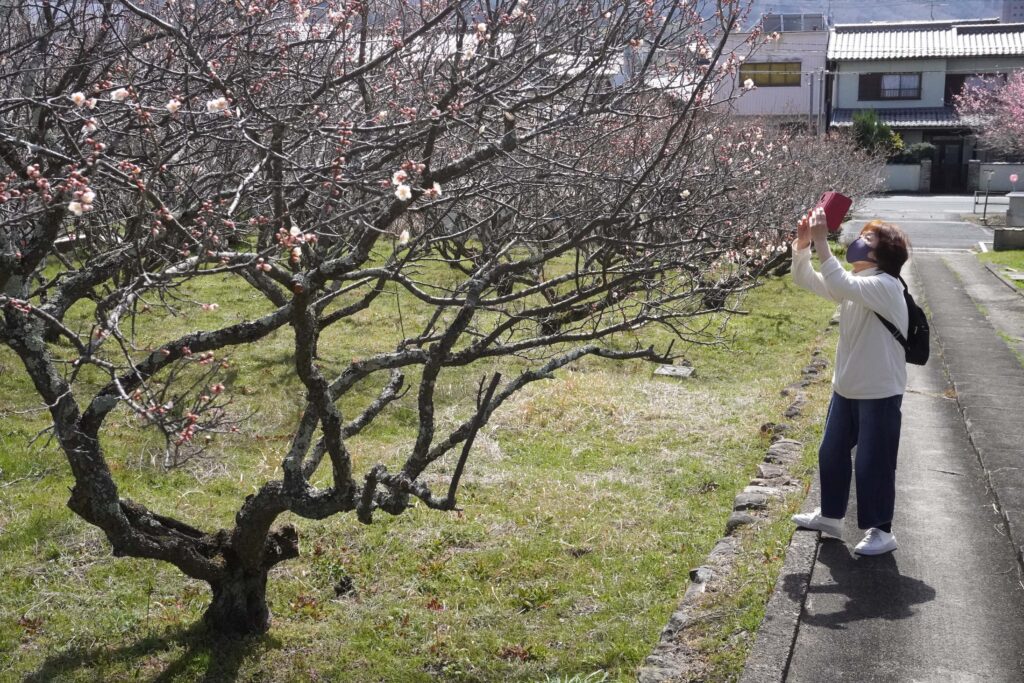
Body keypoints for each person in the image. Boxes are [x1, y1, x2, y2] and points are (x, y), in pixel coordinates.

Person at [789, 207, 910, 556]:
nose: (858, 241)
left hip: (879, 391)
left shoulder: (885, 286)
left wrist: (822, 241)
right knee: (832, 452)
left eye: (867, 239)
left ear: (880, 254)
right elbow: (808, 280)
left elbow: (838, 281)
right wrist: (802, 246)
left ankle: (882, 531)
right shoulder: (858, 286)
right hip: (847, 387)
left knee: (874, 461)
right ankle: (830, 517)